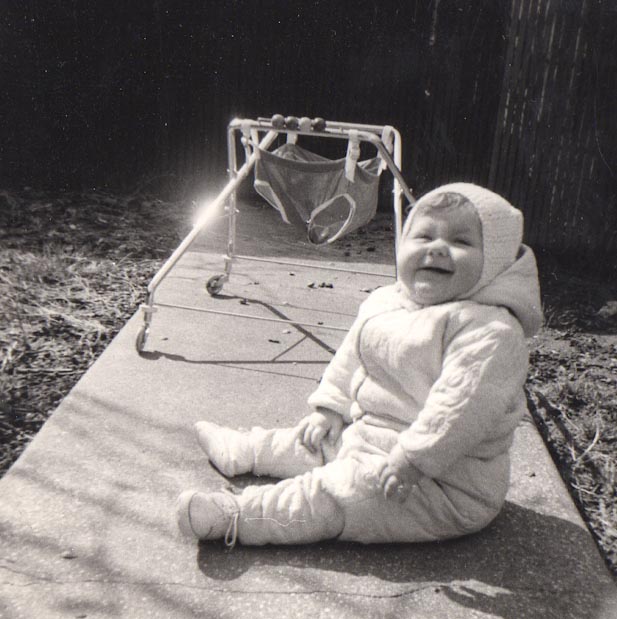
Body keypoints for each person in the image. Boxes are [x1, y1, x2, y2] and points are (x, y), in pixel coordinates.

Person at [176, 182, 543, 547]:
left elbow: (459, 410)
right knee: (311, 441)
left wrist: (413, 459)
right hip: (368, 438)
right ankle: (244, 450)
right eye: (423, 236)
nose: (436, 248)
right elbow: (352, 356)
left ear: (495, 262)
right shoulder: (388, 302)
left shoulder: (490, 331)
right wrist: (330, 409)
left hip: (440, 484)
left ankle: (238, 516)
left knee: (335, 493)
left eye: (461, 241)